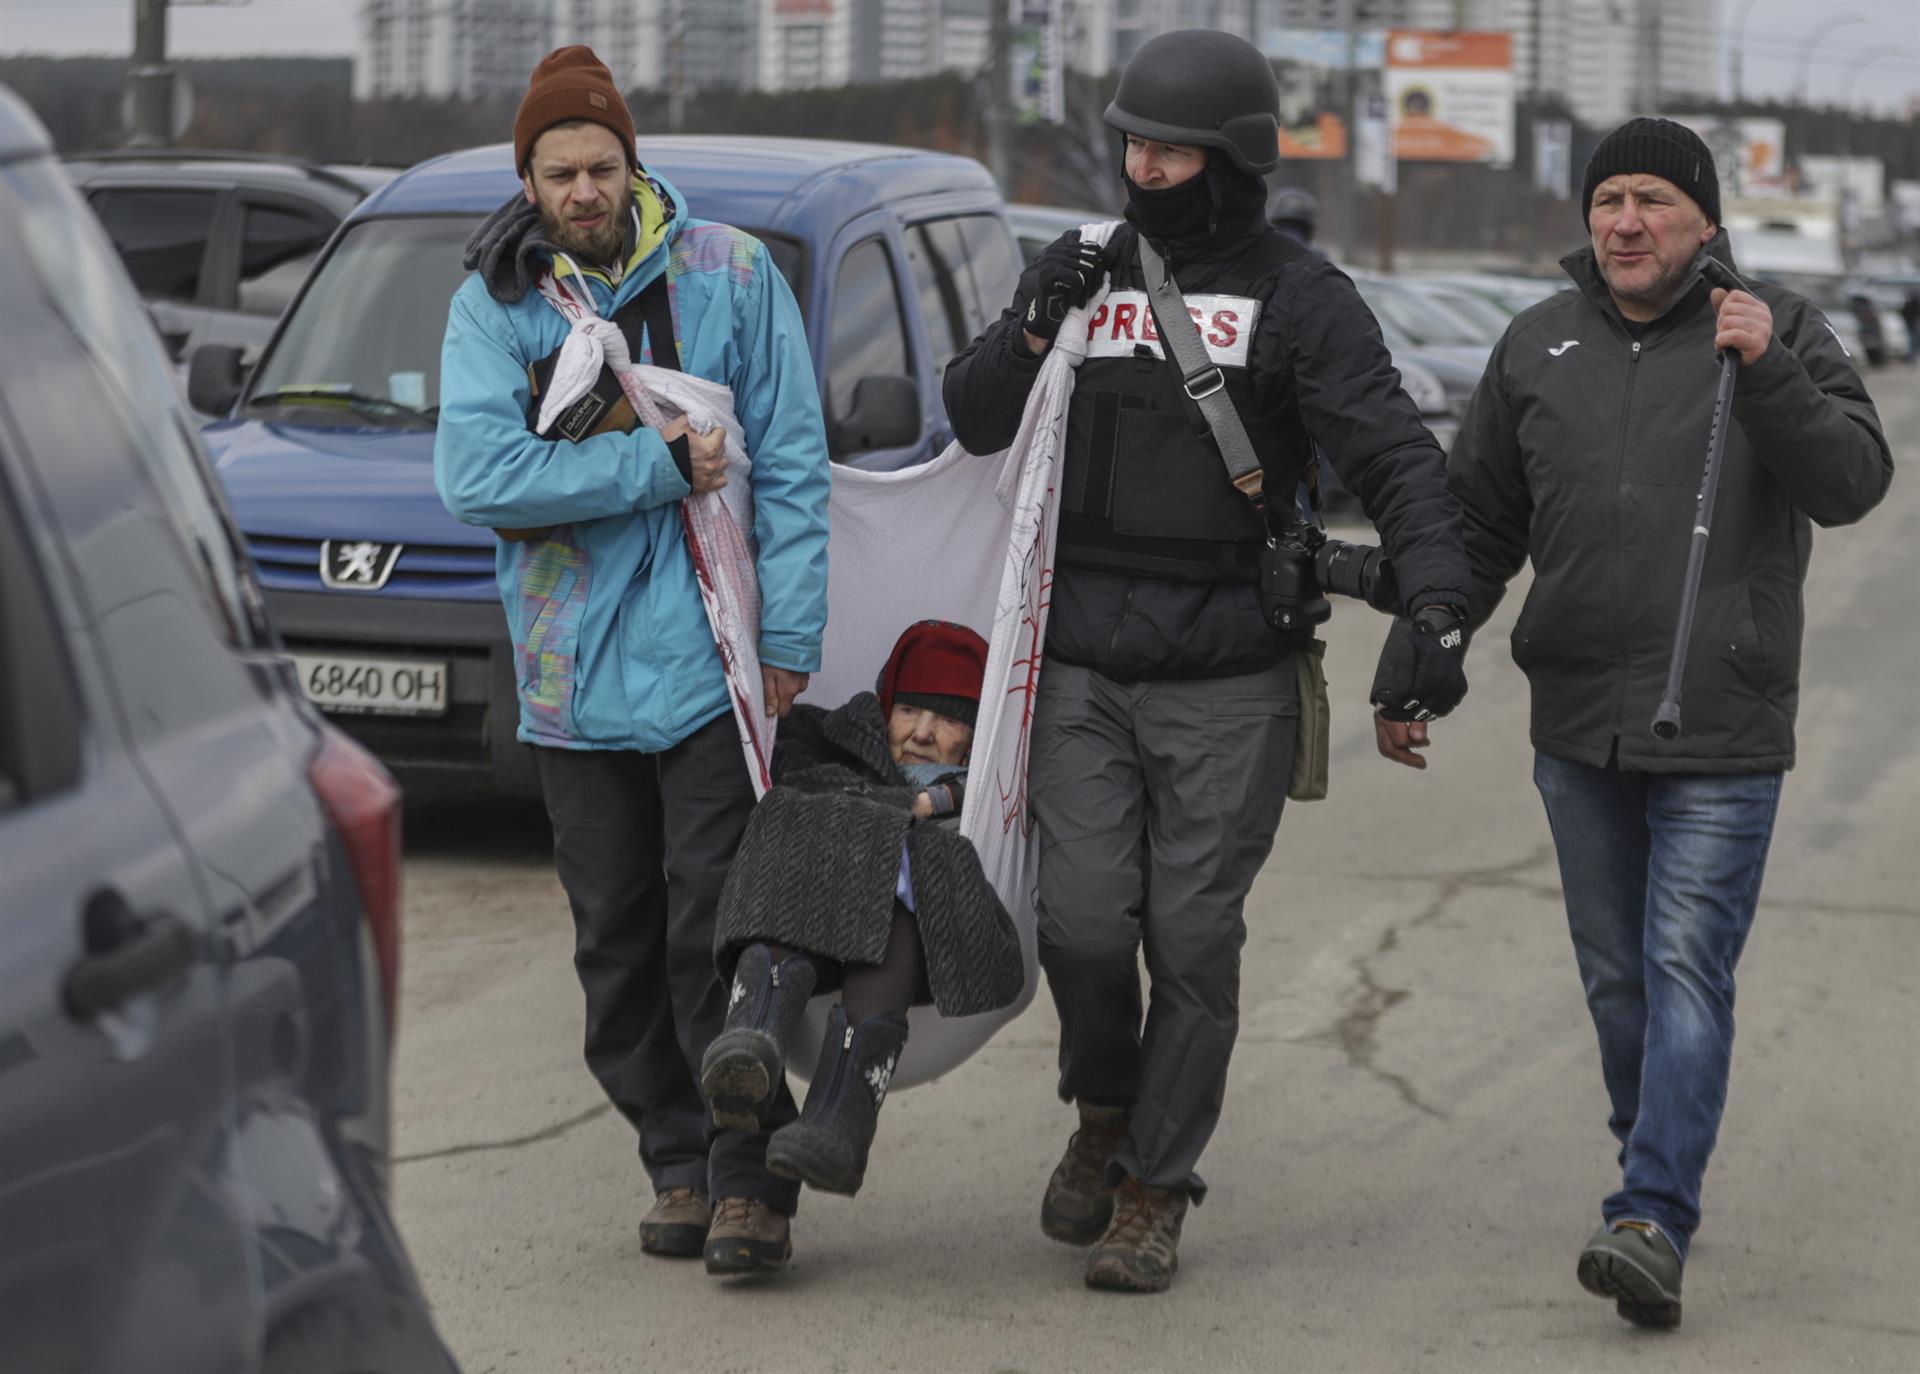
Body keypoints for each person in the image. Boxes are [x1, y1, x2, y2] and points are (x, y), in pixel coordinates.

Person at [942, 28, 1473, 1294]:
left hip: (1231, 673)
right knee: (1076, 924)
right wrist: (1027, 325)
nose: (1144, 165)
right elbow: (969, 420)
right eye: (1131, 142)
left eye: (1170, 149)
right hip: (1076, 668)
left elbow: (1397, 457)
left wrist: (1438, 604)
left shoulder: (1302, 296)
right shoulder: (1079, 271)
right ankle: (1106, 1109)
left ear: (1230, 159)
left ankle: (1156, 1186)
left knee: (1190, 939)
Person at [1379, 117, 1892, 1329]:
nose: (1624, 222)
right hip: (1578, 723)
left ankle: (1653, 1209)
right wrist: (1416, 658)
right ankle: (1648, 1165)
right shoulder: (1538, 341)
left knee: (1681, 968)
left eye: (1652, 200)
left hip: (1721, 720)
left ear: (1705, 222)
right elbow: (1475, 531)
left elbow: (1855, 483)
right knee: (1617, 980)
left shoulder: (1776, 330)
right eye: (1608, 199)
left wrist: (1768, 371)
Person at [434, 46, 830, 1277]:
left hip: (713, 667)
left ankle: (745, 1182)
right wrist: (652, 469)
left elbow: (797, 467)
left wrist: (789, 641)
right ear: (530, 175)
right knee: (613, 942)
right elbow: (479, 478)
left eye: (603, 164)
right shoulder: (492, 303)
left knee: (718, 934)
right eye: (561, 171)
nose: (585, 190)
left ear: (633, 160)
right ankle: (670, 1159)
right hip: (569, 681)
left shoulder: (735, 273)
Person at [700, 620, 1024, 1206]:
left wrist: (930, 804)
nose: (923, 733)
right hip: (802, 919)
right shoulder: (830, 736)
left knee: (901, 904)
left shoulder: (982, 787)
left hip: (903, 945)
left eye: (948, 720)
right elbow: (789, 782)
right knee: (791, 829)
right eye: (909, 711)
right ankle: (751, 1039)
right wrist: (905, 806)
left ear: (974, 737)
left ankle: (840, 1124)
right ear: (884, 706)